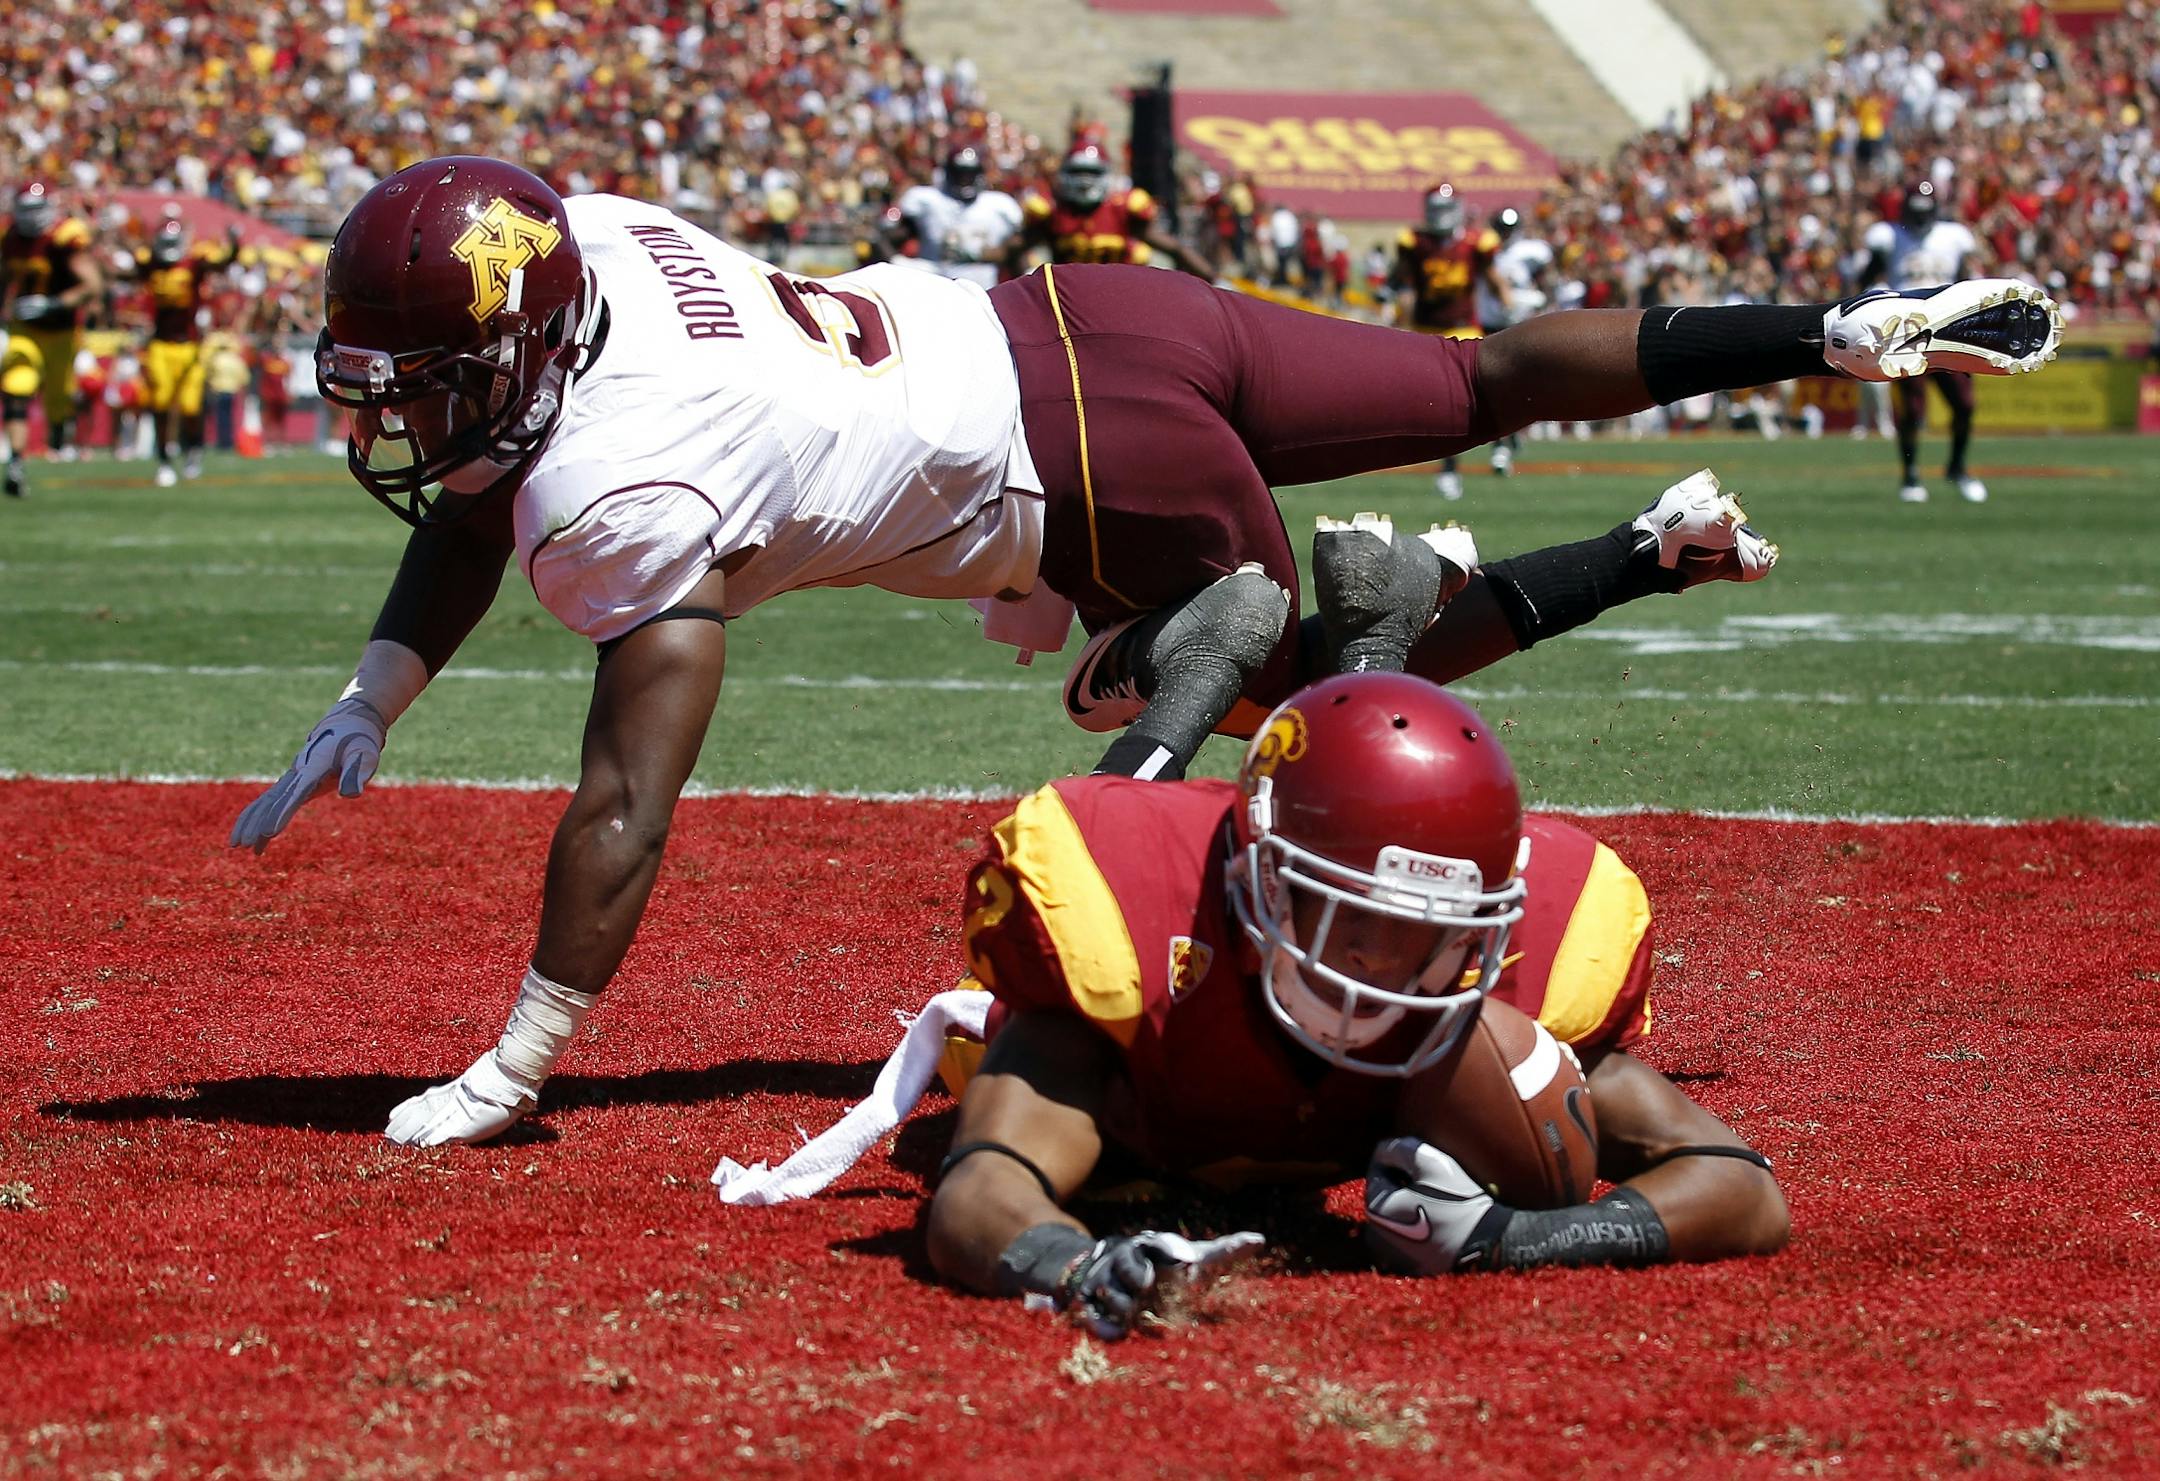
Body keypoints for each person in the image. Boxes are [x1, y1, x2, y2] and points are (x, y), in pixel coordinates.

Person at [226, 156, 2057, 1147]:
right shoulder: (596, 241)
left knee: (1321, 709)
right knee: (1476, 376)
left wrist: (522, 1058)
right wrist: (378, 681)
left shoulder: (616, 481)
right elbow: (486, 471)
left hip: (1072, 476)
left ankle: (1581, 565)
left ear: (527, 344)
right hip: (1087, 317)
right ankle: (1835, 327)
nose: (417, 424)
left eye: (435, 382)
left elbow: (629, 792)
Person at [715, 673, 1791, 1339]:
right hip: (1146, 1136)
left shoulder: (1511, 985)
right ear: (1258, 878)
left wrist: (1526, 1238)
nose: (1394, 960)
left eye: (1436, 927)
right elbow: (978, 1194)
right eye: (1352, 916)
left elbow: (1744, 1188)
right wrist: (1084, 1262)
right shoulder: (1131, 943)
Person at [1861, 181, 1994, 503]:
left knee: (1964, 404)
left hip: (1948, 328)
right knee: (1912, 409)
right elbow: (1867, 277)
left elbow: (1964, 279)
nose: (1919, 221)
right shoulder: (1889, 236)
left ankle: (1958, 467)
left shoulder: (1952, 237)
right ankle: (1909, 475)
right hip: (1906, 331)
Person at [1392, 185, 1508, 499]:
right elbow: (1404, 283)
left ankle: (1501, 443)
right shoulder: (1415, 242)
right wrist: (1399, 321)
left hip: (1464, 329)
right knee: (1440, 404)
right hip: (1426, 328)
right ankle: (1449, 468)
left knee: (1484, 389)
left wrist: (1509, 301)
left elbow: (1493, 277)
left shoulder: (1475, 242)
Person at [1, 183, 105, 496]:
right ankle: (16, 464)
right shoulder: (11, 237)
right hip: (25, 330)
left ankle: (60, 430)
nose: (30, 218)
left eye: (36, 210)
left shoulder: (64, 239)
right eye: (26, 210)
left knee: (57, 402)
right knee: (16, 387)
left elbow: (92, 285)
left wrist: (53, 303)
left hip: (61, 332)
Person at [1007, 142, 1215, 280]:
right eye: (1078, 172)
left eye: (1092, 172)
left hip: (1119, 298)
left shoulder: (1122, 209)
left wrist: (1213, 279)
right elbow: (1013, 249)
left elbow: (1175, 248)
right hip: (1068, 302)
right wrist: (1025, 281)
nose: (1085, 180)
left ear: (1105, 174)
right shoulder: (1052, 211)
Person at [133, 219, 240, 485]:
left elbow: (222, 263)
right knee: (160, 401)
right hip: (160, 343)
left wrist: (235, 244)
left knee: (191, 406)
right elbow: (127, 270)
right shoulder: (151, 265)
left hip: (189, 345)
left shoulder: (192, 264)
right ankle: (164, 459)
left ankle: (193, 449)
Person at [1473, 206, 1554, 477]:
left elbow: (1546, 280)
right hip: (1490, 322)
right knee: (1492, 385)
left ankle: (1507, 436)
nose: (1505, 235)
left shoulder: (1530, 252)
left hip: (1518, 323)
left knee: (1514, 386)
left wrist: (1539, 299)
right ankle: (1503, 442)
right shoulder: (1483, 248)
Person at [890, 146, 1023, 291]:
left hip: (983, 292)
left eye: (969, 173)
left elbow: (1016, 246)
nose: (964, 179)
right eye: (959, 173)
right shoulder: (926, 200)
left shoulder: (1000, 205)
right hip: (935, 289)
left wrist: (1000, 252)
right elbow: (899, 234)